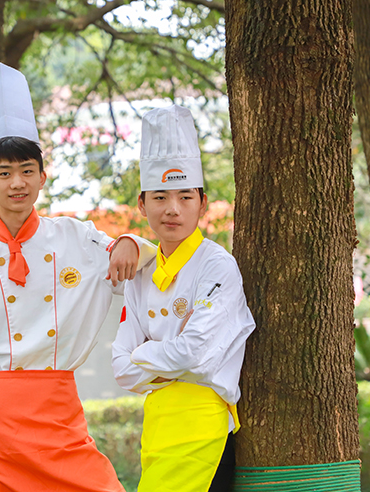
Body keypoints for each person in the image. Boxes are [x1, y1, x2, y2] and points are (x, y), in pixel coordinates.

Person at [0, 63, 156, 491]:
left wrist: (131, 240)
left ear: (41, 176)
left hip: (57, 410)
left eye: (27, 170)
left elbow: (134, 260)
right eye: (4, 173)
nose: (17, 183)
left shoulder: (75, 236)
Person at [111, 104, 256, 492]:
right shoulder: (141, 274)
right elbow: (119, 368)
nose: (172, 209)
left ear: (202, 203)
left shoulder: (217, 265)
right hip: (157, 425)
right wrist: (168, 358)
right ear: (142, 204)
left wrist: (143, 353)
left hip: (204, 428)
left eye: (185, 197)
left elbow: (191, 353)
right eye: (160, 197)